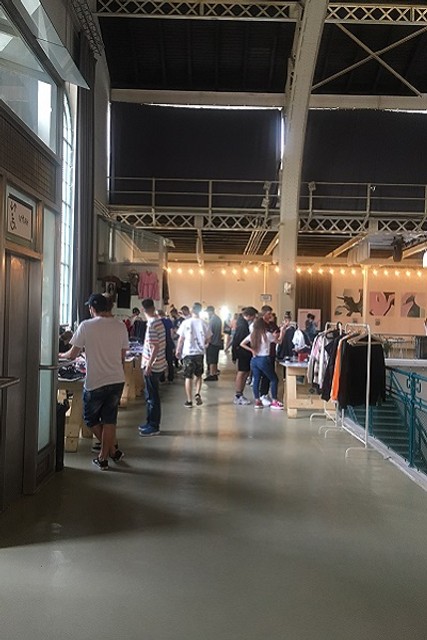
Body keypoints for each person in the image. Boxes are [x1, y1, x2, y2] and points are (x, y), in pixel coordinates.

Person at [60, 293, 129, 470]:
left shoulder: (86, 326)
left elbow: (72, 354)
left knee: (90, 419)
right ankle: (108, 454)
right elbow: (122, 355)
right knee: (109, 420)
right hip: (116, 379)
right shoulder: (120, 325)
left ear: (92, 309)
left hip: (95, 380)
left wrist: (59, 354)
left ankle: (108, 454)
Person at [240, 316, 285, 410]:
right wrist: (282, 331)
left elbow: (242, 344)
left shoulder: (252, 335)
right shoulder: (267, 334)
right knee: (274, 379)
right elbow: (279, 341)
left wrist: (252, 350)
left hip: (254, 360)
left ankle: (257, 401)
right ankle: (274, 401)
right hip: (264, 359)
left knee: (256, 380)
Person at [138, 298, 167, 436]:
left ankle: (153, 426)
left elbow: (155, 346)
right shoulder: (159, 321)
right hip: (159, 364)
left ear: (143, 310)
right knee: (152, 396)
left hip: (152, 366)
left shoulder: (152, 325)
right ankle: (150, 422)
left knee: (152, 397)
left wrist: (149, 365)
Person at [176, 302, 211, 408]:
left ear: (191, 310)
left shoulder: (186, 323)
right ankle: (197, 393)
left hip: (188, 353)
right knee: (199, 375)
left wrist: (178, 350)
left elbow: (181, 339)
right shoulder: (204, 323)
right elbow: (208, 338)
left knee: (188, 377)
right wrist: (205, 344)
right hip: (199, 353)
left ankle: (189, 401)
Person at [231, 306, 257, 405]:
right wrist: (234, 355)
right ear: (249, 316)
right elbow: (236, 341)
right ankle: (238, 395)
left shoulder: (242, 323)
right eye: (253, 317)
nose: (254, 319)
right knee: (242, 373)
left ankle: (240, 394)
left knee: (245, 372)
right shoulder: (242, 326)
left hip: (244, 353)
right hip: (243, 353)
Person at [258, 305, 280, 406]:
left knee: (269, 375)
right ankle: (262, 395)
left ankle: (266, 394)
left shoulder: (272, 324)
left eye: (271, 313)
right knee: (264, 375)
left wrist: (278, 334)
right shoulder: (260, 325)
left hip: (272, 352)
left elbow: (277, 335)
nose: (270, 315)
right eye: (269, 314)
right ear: (264, 313)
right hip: (263, 353)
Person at [204, 305, 222, 381]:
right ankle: (214, 373)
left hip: (212, 343)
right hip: (217, 342)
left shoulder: (212, 320)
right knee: (215, 359)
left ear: (210, 311)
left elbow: (210, 333)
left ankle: (211, 374)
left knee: (211, 360)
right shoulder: (218, 319)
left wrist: (207, 342)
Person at [157, 309, 175, 382]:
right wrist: (171, 341)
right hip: (169, 342)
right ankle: (171, 377)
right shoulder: (168, 321)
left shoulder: (157, 322)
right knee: (170, 361)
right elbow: (172, 333)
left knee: (161, 361)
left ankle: (162, 378)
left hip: (161, 344)